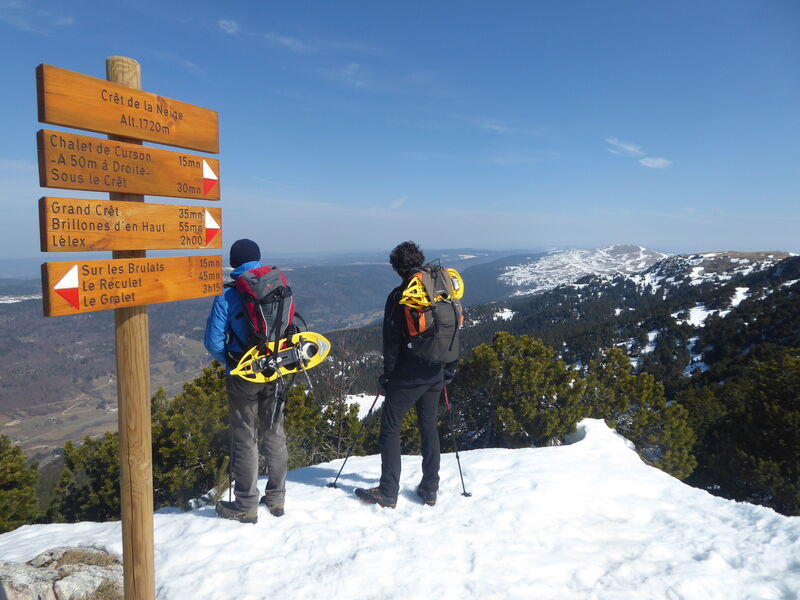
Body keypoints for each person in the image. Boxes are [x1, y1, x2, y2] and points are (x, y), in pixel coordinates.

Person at [355, 241, 458, 508]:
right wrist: (448, 367)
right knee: (428, 426)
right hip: (436, 370)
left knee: (390, 426)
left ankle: (388, 491)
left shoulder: (401, 294)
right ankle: (430, 488)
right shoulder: (440, 288)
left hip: (408, 373)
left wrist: (388, 375)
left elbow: (391, 340)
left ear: (397, 267)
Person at [204, 239, 290, 524]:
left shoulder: (227, 296)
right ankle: (277, 499)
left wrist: (231, 362)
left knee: (245, 438)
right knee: (275, 433)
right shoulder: (278, 285)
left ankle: (246, 504)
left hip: (244, 374)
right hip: (276, 369)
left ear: (234, 263)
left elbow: (213, 342)